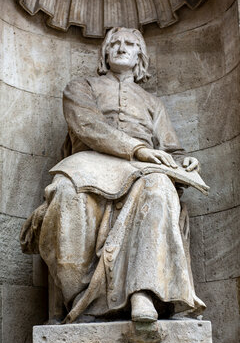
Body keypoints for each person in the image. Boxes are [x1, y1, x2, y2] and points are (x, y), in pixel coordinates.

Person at [20, 27, 206, 324]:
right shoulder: (82, 86)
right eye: (115, 43)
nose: (121, 47)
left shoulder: (152, 103)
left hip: (143, 169)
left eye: (130, 44)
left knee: (159, 186)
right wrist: (139, 150)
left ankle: (143, 294)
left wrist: (185, 163)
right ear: (105, 54)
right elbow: (86, 126)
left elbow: (171, 148)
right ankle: (80, 300)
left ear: (139, 57)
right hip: (88, 162)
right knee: (66, 194)